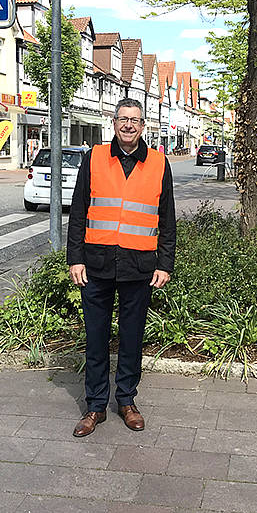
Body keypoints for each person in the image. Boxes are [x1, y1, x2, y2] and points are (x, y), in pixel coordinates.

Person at [67, 97, 176, 437]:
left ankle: (126, 400)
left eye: (135, 120)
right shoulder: (95, 157)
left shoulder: (159, 163)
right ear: (113, 123)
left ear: (143, 126)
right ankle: (95, 406)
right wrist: (75, 257)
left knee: (131, 338)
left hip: (140, 266)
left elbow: (167, 219)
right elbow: (78, 209)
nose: (129, 125)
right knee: (95, 339)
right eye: (123, 119)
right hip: (97, 265)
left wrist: (165, 263)